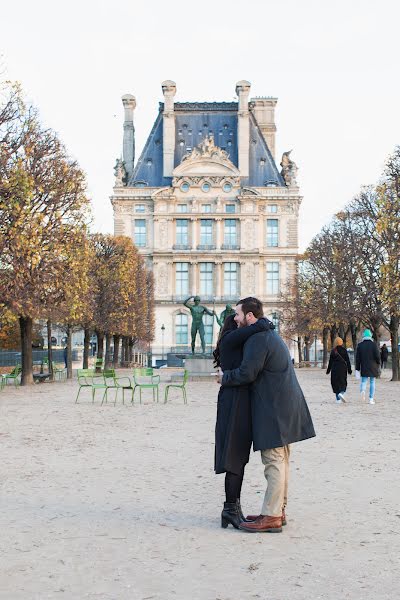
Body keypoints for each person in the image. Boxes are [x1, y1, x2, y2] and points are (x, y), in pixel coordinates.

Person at [217, 297, 315, 533]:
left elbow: (247, 373)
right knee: (281, 460)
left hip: (275, 409)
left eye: (238, 314)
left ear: (249, 316)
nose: (236, 318)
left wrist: (224, 378)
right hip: (283, 406)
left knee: (274, 462)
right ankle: (277, 510)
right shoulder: (268, 334)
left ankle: (271, 515)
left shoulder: (259, 339)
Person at [213, 314, 270, 529]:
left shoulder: (230, 340)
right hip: (234, 400)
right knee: (235, 457)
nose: (240, 321)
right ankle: (230, 509)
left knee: (238, 457)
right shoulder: (230, 337)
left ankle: (232, 508)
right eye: (237, 319)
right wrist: (264, 322)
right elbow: (253, 329)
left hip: (235, 399)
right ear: (233, 324)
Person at [356, 329, 380, 405]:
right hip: (373, 366)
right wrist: (378, 363)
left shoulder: (360, 345)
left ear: (364, 336)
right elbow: (377, 356)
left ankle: (363, 390)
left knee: (364, 381)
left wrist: (357, 368)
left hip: (364, 366)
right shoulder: (374, 344)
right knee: (372, 382)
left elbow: (358, 358)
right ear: (370, 336)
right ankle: (371, 399)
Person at [326, 337, 352, 403]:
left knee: (335, 383)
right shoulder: (344, 350)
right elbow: (348, 361)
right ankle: (342, 393)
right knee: (343, 382)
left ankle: (338, 399)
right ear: (341, 342)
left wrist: (328, 370)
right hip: (343, 368)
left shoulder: (333, 351)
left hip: (335, 368)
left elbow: (330, 362)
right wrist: (349, 370)